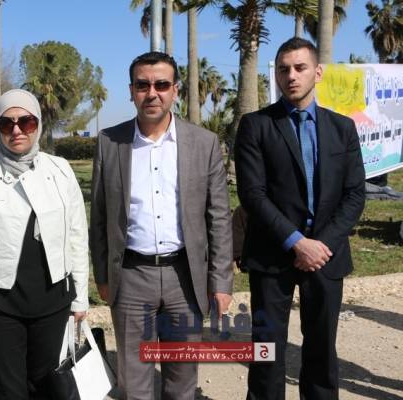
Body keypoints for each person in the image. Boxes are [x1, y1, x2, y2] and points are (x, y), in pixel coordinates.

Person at [90, 51, 233, 400]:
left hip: (185, 277)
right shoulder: (110, 142)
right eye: (143, 85)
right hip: (131, 277)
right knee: (133, 383)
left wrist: (221, 281)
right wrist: (103, 275)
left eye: (161, 85)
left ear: (175, 90)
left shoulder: (203, 143)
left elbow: (218, 217)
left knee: (182, 382)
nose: (152, 93)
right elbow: (99, 216)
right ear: (131, 91)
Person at [234, 37, 365, 400]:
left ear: (317, 72)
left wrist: (320, 245)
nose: (290, 76)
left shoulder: (342, 128)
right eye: (283, 69)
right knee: (267, 350)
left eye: (299, 67)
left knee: (322, 349)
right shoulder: (256, 125)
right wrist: (296, 242)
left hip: (326, 255)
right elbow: (253, 194)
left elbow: (355, 194)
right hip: (272, 254)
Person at [0, 88, 89, 399]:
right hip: (2, 304)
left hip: (54, 301)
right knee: (9, 390)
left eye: (26, 122)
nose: (16, 130)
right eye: (7, 123)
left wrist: (80, 298)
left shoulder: (59, 169)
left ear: (38, 124)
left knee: (52, 386)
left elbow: (77, 236)